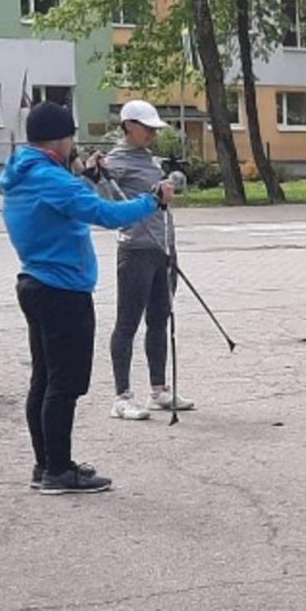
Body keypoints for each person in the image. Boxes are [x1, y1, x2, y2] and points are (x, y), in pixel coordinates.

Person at [0, 101, 171, 494]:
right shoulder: (52, 179)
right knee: (65, 384)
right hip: (62, 289)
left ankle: (46, 464)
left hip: (35, 281)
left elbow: (68, 198)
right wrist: (153, 200)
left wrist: (88, 175)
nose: (73, 144)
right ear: (61, 139)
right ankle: (59, 471)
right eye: (71, 137)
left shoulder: (25, 171)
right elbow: (105, 214)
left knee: (44, 380)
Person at [97, 99, 194, 420]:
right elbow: (107, 202)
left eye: (154, 128)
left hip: (163, 249)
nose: (152, 133)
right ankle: (122, 397)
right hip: (136, 251)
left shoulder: (150, 160)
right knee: (127, 323)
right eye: (146, 128)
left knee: (160, 319)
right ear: (128, 126)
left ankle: (159, 390)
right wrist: (99, 175)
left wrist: (172, 181)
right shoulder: (115, 161)